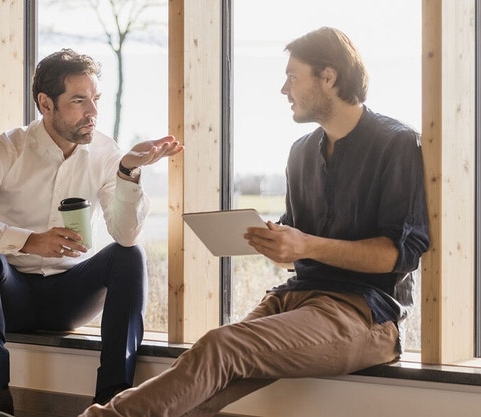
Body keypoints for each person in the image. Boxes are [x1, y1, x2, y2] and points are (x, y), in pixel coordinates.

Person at [79, 26, 430, 417]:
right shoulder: (300, 153)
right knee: (204, 377)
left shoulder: (395, 143)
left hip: (364, 313)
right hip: (295, 297)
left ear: (328, 77)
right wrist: (274, 243)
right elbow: (294, 252)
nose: (284, 89)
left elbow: (397, 255)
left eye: (292, 77)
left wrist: (306, 246)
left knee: (220, 347)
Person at [0, 48, 183, 416]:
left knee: (129, 255)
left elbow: (125, 235)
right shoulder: (5, 148)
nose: (93, 112)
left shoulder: (107, 153)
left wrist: (128, 174)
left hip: (71, 296)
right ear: (46, 103)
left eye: (95, 99)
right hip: (12, 295)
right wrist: (29, 240)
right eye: (78, 100)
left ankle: (112, 398)